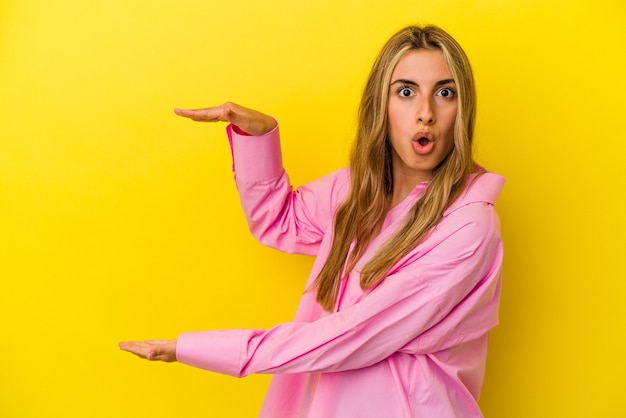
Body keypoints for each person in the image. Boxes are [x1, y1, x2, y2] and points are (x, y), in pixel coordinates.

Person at [119, 24, 505, 418]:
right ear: (381, 106)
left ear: (462, 109)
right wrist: (260, 137)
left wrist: (200, 349)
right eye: (406, 92)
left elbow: (351, 336)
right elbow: (279, 221)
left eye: (445, 92)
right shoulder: (356, 193)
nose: (425, 113)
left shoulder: (469, 227)